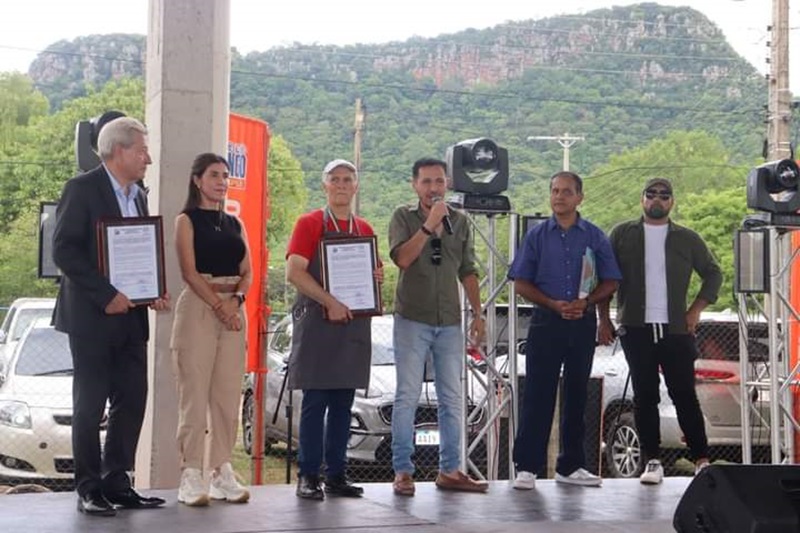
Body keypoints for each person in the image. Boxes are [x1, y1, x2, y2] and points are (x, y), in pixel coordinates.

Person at [52, 117, 169, 516]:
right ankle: (89, 488)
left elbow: (138, 251)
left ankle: (118, 482)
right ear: (119, 151)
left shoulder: (138, 195)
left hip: (131, 319)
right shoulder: (80, 189)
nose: (148, 158)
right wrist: (107, 295)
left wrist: (151, 289)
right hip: (92, 318)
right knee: (89, 406)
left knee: (133, 400)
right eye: (142, 150)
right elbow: (64, 251)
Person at [598, 177, 722, 485]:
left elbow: (713, 273)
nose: (657, 199)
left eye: (664, 195)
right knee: (645, 395)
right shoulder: (622, 234)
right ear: (642, 199)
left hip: (676, 329)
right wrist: (604, 318)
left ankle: (701, 459)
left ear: (672, 202)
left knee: (683, 394)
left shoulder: (687, 238)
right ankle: (652, 461)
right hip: (636, 328)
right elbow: (605, 278)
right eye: (651, 194)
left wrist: (695, 310)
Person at [508, 170, 620, 490]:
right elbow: (520, 282)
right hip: (546, 321)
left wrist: (587, 305)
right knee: (538, 394)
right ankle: (527, 467)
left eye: (566, 191)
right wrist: (553, 304)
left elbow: (611, 279)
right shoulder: (537, 236)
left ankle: (570, 466)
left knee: (577, 394)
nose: (559, 196)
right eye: (554, 190)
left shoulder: (594, 236)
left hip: (581, 323)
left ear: (579, 197)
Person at [388, 157, 488, 496]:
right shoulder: (403, 217)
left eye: (440, 181)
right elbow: (402, 258)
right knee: (407, 397)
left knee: (452, 398)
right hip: (411, 319)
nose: (434, 188)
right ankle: (403, 471)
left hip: (450, 322)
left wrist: (477, 312)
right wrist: (429, 225)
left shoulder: (459, 222)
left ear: (447, 184)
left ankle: (450, 470)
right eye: (427, 182)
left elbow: (468, 270)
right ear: (415, 185)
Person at [286, 159, 383, 500]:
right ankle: (308, 475)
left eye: (347, 179)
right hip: (317, 324)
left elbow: (374, 274)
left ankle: (336, 475)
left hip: (353, 326)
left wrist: (376, 278)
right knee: (315, 402)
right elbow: (295, 272)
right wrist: (329, 300)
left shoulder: (365, 229)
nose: (341, 185)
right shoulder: (309, 223)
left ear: (356, 186)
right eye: (335, 179)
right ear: (324, 185)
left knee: (344, 404)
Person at [170, 153, 252, 506]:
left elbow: (247, 270)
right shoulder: (185, 221)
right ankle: (190, 474)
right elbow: (188, 272)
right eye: (214, 175)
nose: (221, 181)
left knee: (227, 395)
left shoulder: (236, 223)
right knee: (194, 396)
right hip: (200, 308)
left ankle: (221, 471)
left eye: (225, 176)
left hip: (234, 310)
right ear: (197, 180)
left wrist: (236, 302)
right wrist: (220, 306)